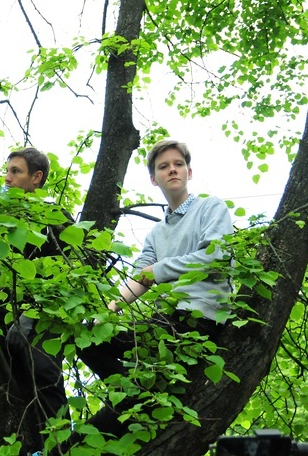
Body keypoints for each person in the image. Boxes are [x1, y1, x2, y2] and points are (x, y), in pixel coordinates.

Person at [78, 139, 232, 380]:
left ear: (188, 172)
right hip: (166, 322)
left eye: (178, 164)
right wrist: (108, 311)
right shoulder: (156, 233)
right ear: (153, 179)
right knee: (88, 340)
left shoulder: (210, 207)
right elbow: (141, 276)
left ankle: (133, 392)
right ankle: (129, 392)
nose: (172, 169)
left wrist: (158, 269)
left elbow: (215, 257)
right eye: (163, 166)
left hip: (200, 317)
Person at [0, 147, 70, 454]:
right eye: (7, 171)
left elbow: (68, 271)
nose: (7, 178)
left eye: (16, 172)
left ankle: (58, 446)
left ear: (36, 178)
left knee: (43, 370)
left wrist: (30, 316)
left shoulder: (54, 218)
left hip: (38, 311)